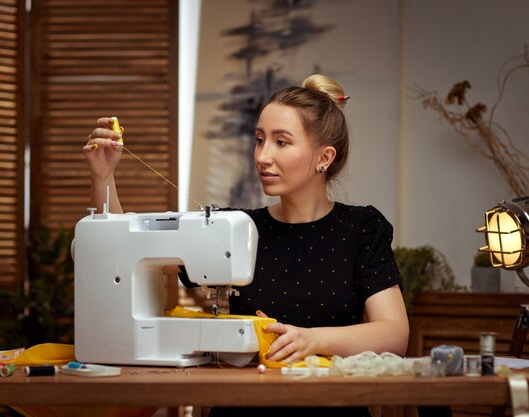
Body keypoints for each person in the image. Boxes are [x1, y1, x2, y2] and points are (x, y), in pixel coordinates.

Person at [83, 74, 409, 417]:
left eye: (281, 142)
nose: (262, 156)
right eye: (259, 139)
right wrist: (103, 176)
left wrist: (312, 340)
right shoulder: (234, 228)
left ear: (324, 157)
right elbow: (122, 249)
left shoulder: (360, 229)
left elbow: (394, 333)